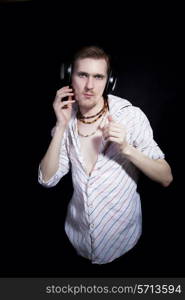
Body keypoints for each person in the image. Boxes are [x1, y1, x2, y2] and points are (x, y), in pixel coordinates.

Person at [38, 46, 173, 265]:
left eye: (98, 77)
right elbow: (47, 179)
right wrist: (61, 126)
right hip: (77, 242)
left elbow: (166, 177)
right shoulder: (66, 117)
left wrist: (127, 148)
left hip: (124, 245)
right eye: (82, 75)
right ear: (69, 75)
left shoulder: (130, 116)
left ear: (109, 81)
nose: (90, 86)